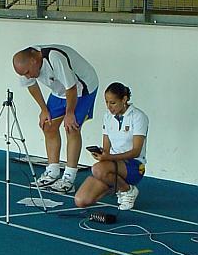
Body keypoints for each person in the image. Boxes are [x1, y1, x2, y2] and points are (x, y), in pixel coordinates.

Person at [12, 45, 98, 193]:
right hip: (60, 90)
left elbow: (71, 88)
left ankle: (69, 178)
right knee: (48, 125)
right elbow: (31, 85)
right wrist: (43, 110)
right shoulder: (24, 67)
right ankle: (52, 172)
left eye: (27, 73)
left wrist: (69, 114)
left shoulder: (54, 58)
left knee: (72, 128)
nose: (27, 76)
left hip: (82, 88)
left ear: (33, 61)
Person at [75, 83, 148, 210]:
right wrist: (102, 154)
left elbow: (136, 151)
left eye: (113, 103)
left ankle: (127, 190)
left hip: (134, 165)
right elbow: (106, 148)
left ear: (124, 100)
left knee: (97, 169)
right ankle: (115, 185)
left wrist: (109, 157)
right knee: (81, 201)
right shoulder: (107, 117)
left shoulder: (138, 117)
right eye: (107, 102)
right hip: (112, 164)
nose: (109, 107)